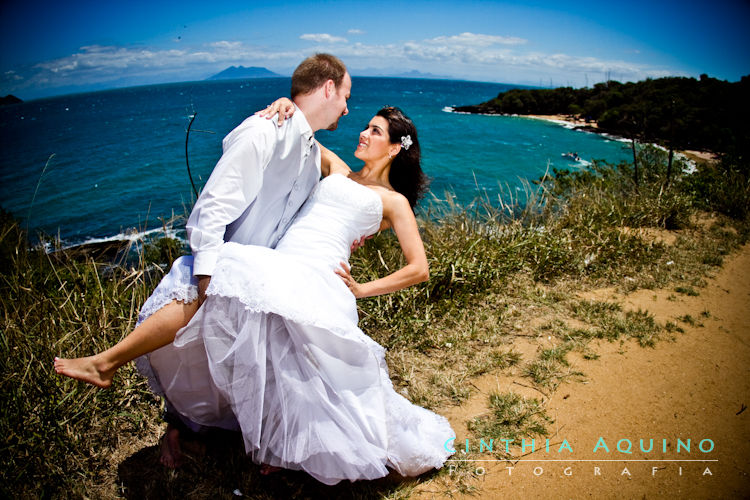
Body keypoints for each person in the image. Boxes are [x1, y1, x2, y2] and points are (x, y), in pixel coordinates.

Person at [55, 104, 455, 484]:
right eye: (366, 125)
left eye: (375, 131)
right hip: (278, 264)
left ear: (395, 147)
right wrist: (284, 103)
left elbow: (418, 268)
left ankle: (107, 364)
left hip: (316, 277)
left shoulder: (394, 202)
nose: (364, 133)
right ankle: (124, 374)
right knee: (262, 348)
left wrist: (363, 288)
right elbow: (300, 133)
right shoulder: (338, 169)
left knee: (290, 359)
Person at [52, 53, 352, 467]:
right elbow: (212, 209)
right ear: (329, 88)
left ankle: (212, 437)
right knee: (199, 333)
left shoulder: (306, 146)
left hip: (269, 274)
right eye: (346, 96)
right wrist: (210, 278)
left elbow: (342, 175)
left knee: (215, 368)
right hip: (234, 265)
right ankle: (108, 362)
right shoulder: (264, 132)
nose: (348, 108)